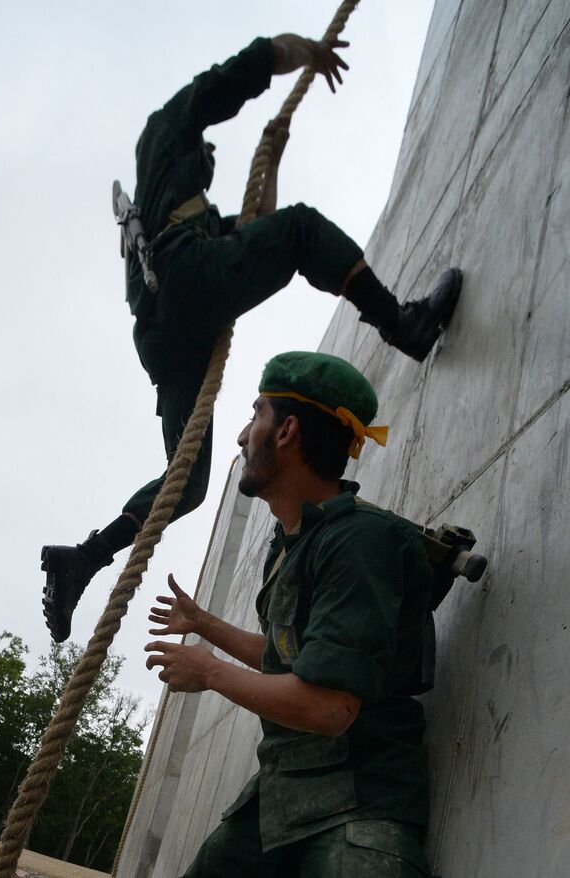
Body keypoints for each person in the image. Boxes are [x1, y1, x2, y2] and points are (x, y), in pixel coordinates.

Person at [41, 34, 461, 643]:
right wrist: (305, 52)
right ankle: (401, 323)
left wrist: (273, 147)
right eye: (205, 153)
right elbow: (241, 72)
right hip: (181, 285)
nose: (208, 160)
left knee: (184, 485)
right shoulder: (166, 133)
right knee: (302, 231)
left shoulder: (192, 219)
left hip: (167, 333)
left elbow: (252, 231)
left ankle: (84, 557)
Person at [145, 350, 434, 877]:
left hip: (358, 808)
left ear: (287, 431)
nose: (240, 437)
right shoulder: (292, 544)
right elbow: (292, 661)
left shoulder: (360, 543)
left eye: (256, 415)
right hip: (281, 801)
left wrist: (209, 672)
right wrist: (206, 626)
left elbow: (328, 708)